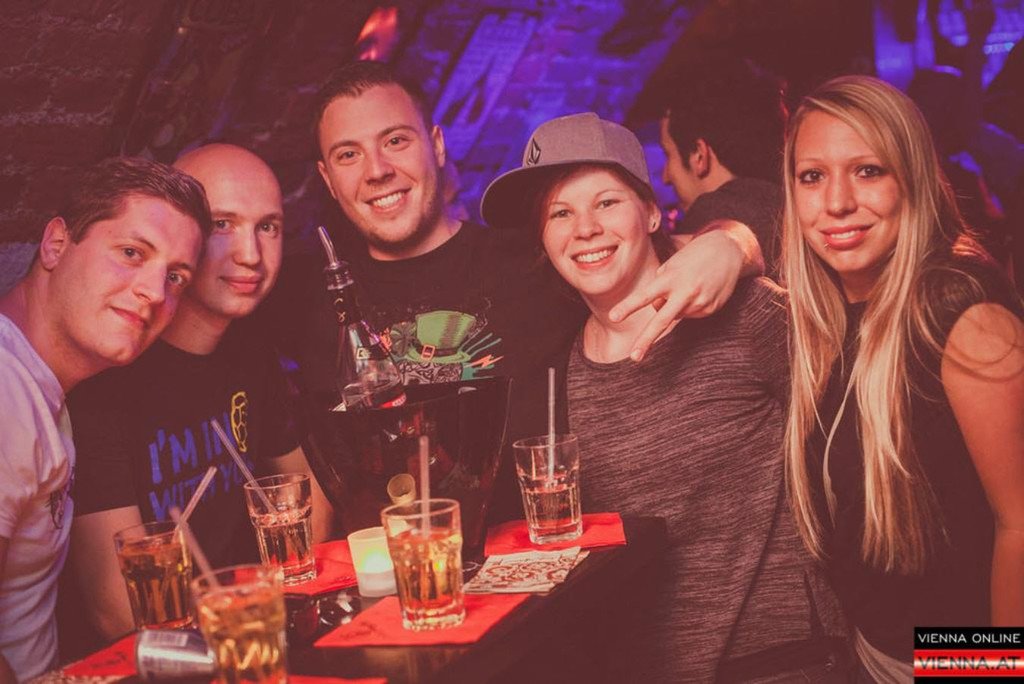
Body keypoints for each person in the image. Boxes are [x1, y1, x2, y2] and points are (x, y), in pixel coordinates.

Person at [273, 60, 765, 524]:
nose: (377, 169)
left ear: (437, 146)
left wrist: (733, 243)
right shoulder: (301, 300)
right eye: (348, 154)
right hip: (401, 574)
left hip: (547, 568)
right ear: (327, 178)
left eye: (396, 140)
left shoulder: (539, 256)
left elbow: (678, 246)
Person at [480, 112, 848, 682]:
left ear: (651, 212)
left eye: (606, 202)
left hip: (777, 661)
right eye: (559, 212)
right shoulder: (559, 368)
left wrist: (733, 243)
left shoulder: (750, 314)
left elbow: (877, 450)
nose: (585, 228)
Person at [781, 75, 1024, 680]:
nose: (837, 202)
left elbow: (1019, 524)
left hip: (951, 658)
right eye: (812, 176)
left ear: (911, 179)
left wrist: (985, 670)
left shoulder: (958, 310)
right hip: (873, 652)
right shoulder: (831, 315)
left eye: (868, 171)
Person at [63, 145, 332, 649]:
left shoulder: (252, 352)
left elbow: (310, 504)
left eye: (268, 226)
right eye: (222, 225)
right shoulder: (108, 373)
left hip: (246, 632)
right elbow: (117, 609)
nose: (251, 255)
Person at [0, 157, 208, 682]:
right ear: (55, 244)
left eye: (175, 277)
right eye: (131, 253)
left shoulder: (41, 390)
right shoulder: (6, 392)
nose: (155, 292)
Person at [659, 54, 788, 275]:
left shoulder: (712, 215)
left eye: (668, 154)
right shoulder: (792, 204)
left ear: (699, 155)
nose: (665, 177)